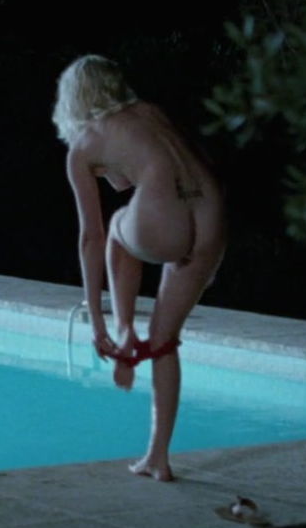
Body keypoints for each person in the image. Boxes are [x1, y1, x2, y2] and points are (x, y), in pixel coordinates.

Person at [52, 54, 226, 482]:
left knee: (114, 227)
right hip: (212, 216)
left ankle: (125, 329)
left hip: (163, 221)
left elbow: (89, 238)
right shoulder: (150, 112)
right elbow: (144, 172)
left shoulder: (83, 145)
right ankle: (157, 458)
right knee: (165, 341)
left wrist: (97, 322)